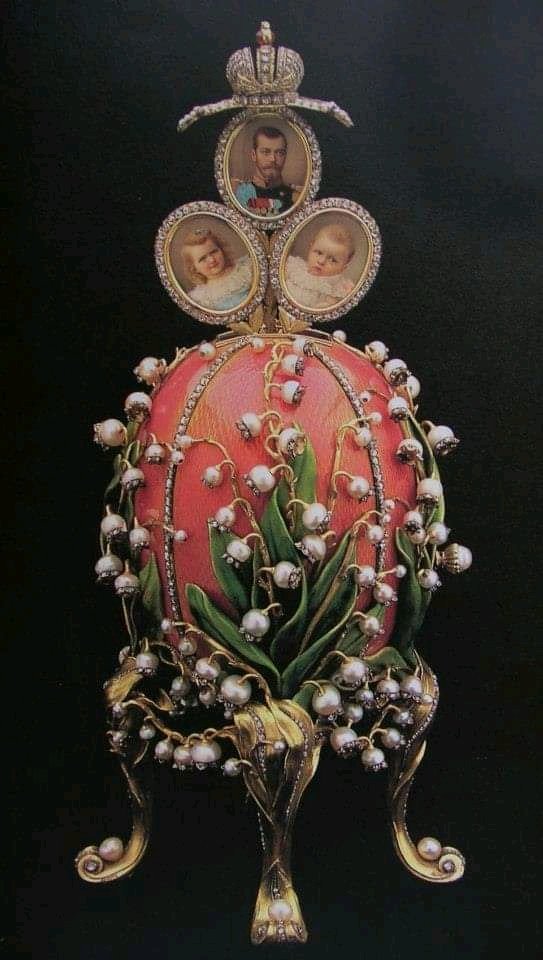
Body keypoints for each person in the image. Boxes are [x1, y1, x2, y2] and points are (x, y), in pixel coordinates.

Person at [284, 223, 356, 310]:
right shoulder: (294, 266)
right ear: (311, 247)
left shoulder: (336, 287)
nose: (321, 261)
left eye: (333, 260)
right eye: (319, 253)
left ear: (342, 269)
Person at [233, 126, 301, 216]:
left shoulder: (297, 199)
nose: (273, 159)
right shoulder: (238, 192)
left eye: (279, 153)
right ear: (254, 155)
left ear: (285, 156)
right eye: (265, 152)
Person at [179, 228, 252, 311]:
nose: (212, 260)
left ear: (222, 250)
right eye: (203, 258)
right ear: (194, 268)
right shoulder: (199, 298)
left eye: (214, 252)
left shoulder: (246, 267)